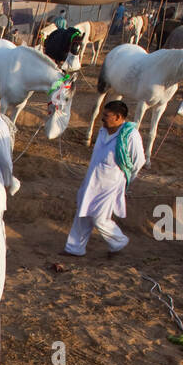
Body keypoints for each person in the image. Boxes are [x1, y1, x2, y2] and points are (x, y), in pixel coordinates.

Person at [64, 100, 144, 257]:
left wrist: (125, 179)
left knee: (99, 218)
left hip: (110, 185)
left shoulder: (131, 135)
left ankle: (118, 241)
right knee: (83, 214)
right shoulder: (103, 131)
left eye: (106, 116)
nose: (102, 119)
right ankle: (74, 249)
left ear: (118, 117)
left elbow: (138, 161)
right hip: (92, 181)